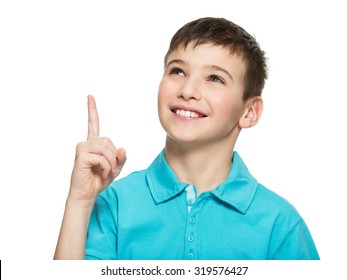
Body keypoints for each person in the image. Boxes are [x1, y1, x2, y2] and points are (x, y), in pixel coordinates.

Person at [54, 17, 319, 260]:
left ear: (249, 112)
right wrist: (80, 201)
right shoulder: (115, 204)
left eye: (215, 78)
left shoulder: (279, 224)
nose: (188, 90)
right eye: (178, 71)